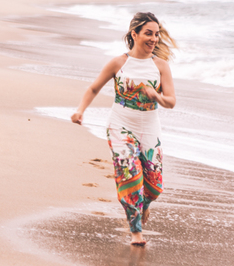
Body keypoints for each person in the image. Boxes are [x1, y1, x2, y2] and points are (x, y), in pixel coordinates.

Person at [72, 12, 177, 245]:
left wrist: (156, 96)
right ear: (134, 34)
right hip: (121, 124)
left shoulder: (160, 66)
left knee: (155, 186)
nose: (154, 39)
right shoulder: (118, 63)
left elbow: (171, 101)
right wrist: (80, 110)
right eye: (148, 33)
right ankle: (136, 230)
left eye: (156, 34)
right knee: (130, 176)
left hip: (149, 126)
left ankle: (143, 205)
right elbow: (93, 88)